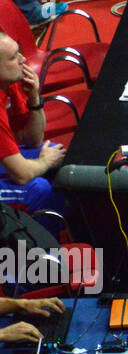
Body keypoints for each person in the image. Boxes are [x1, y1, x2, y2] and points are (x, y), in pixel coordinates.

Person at [0, 33, 65, 220]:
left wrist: (34, 99)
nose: (23, 59)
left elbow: (31, 139)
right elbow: (21, 175)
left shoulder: (9, 82)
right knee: (38, 189)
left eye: (18, 52)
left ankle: (63, 224)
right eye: (13, 57)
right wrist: (45, 162)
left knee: (54, 152)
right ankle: (43, 247)